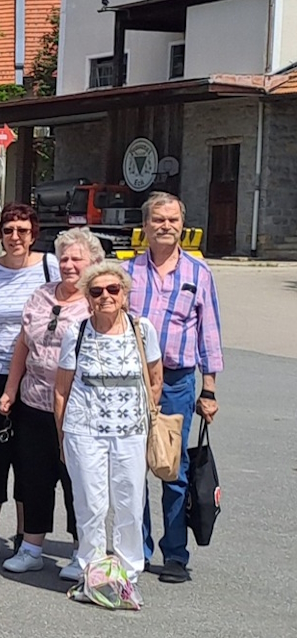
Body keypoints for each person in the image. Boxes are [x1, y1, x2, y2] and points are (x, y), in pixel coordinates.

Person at [126, 191, 223, 585]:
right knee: (133, 468)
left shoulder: (198, 274)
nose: (165, 226)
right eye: (158, 220)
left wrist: (209, 389)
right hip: (130, 380)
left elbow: (210, 333)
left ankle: (176, 554)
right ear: (145, 226)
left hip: (178, 382)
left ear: (183, 225)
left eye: (172, 220)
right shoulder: (127, 273)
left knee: (173, 468)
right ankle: (138, 550)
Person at [55, 261, 162, 605]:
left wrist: (144, 417)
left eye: (112, 290)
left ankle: (128, 575)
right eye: (97, 291)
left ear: (125, 294)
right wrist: (61, 437)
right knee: (90, 505)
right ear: (87, 297)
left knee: (131, 503)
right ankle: (94, 576)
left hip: (130, 430)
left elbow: (156, 379)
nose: (105, 297)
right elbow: (61, 390)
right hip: (84, 430)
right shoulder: (78, 332)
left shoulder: (142, 330)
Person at [0, 229, 102, 577]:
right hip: (34, 401)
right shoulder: (41, 294)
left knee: (77, 479)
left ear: (93, 264)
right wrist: (10, 390)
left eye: (77, 259)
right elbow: (23, 345)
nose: (69, 265)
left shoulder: (97, 300)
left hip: (78, 407)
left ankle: (80, 551)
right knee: (34, 477)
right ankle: (32, 547)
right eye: (65, 259)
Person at [0, 203, 55, 563]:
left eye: (22, 230)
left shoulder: (50, 267)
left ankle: (24, 533)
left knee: (29, 458)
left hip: (37, 376)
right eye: (8, 230)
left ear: (33, 233)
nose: (15, 237)